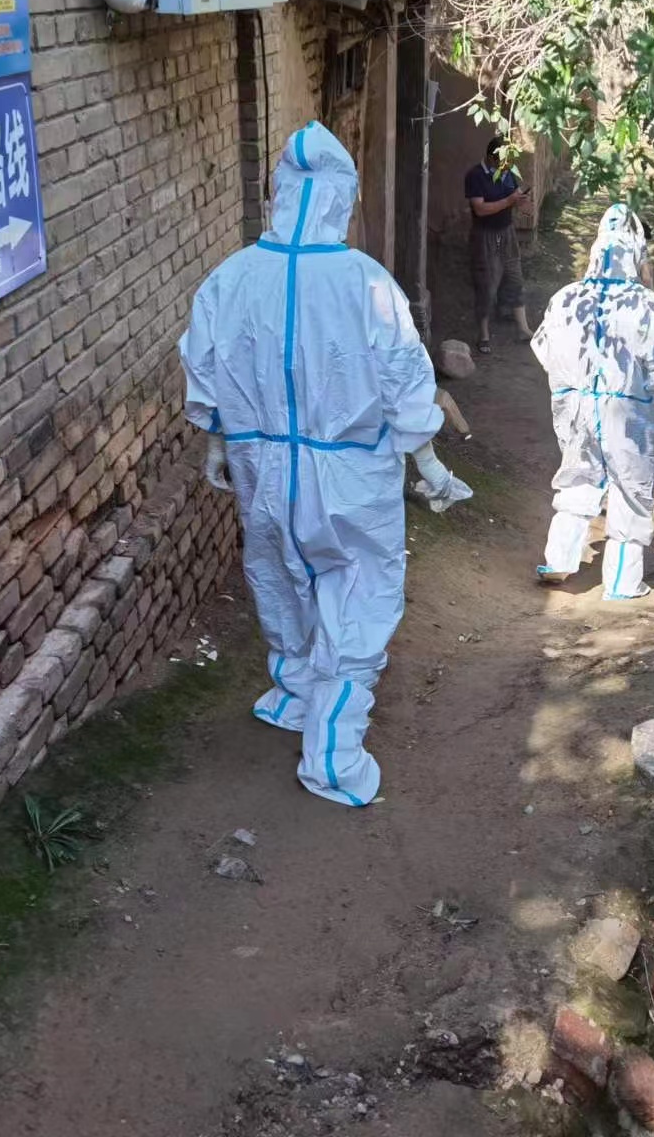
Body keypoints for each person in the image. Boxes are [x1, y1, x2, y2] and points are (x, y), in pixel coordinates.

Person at [180, 122, 471, 807]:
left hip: (262, 465)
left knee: (281, 578)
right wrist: (428, 464)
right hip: (349, 474)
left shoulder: (230, 278)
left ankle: (293, 695)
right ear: (343, 196)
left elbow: (204, 368)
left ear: (278, 194)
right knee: (357, 589)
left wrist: (216, 442)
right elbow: (405, 382)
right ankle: (334, 753)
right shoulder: (365, 283)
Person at [531, 203, 654, 599]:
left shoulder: (567, 299)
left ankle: (558, 560)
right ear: (636, 253)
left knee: (578, 477)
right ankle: (622, 582)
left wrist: (573, 387)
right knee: (630, 488)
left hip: (576, 408)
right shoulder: (647, 305)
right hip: (629, 411)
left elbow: (543, 348)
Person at [464, 136, 534, 354]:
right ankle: (483, 334)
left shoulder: (508, 174)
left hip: (507, 233)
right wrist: (509, 201)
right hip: (485, 236)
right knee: (486, 284)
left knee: (515, 278)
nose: (506, 166)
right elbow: (480, 209)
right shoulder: (475, 176)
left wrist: (523, 203)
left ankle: (523, 329)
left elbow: (516, 200)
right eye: (502, 161)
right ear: (490, 157)